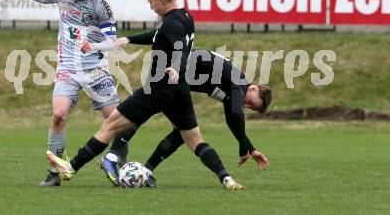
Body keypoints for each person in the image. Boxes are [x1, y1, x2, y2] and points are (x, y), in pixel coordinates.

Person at [46, 0, 245, 190]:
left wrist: (176, 67)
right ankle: (226, 178)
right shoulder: (185, 17)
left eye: (151, 1)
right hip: (180, 91)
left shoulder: (171, 25)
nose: (150, 6)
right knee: (195, 140)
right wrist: (129, 39)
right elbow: (158, 35)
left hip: (157, 88)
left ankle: (71, 167)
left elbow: (178, 48)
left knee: (111, 124)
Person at [2, 0, 120, 187]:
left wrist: (94, 46)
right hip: (67, 67)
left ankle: (119, 163)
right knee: (58, 114)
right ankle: (55, 171)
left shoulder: (101, 5)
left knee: (117, 120)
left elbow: (113, 41)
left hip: (95, 70)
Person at [101, 50, 272, 187]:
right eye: (251, 102)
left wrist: (250, 148)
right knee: (141, 112)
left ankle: (145, 170)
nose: (247, 106)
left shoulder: (234, 89)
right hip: (171, 70)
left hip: (176, 80)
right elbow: (235, 114)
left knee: (181, 132)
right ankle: (112, 157)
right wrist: (244, 148)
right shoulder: (239, 84)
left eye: (252, 108)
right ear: (253, 88)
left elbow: (232, 119)